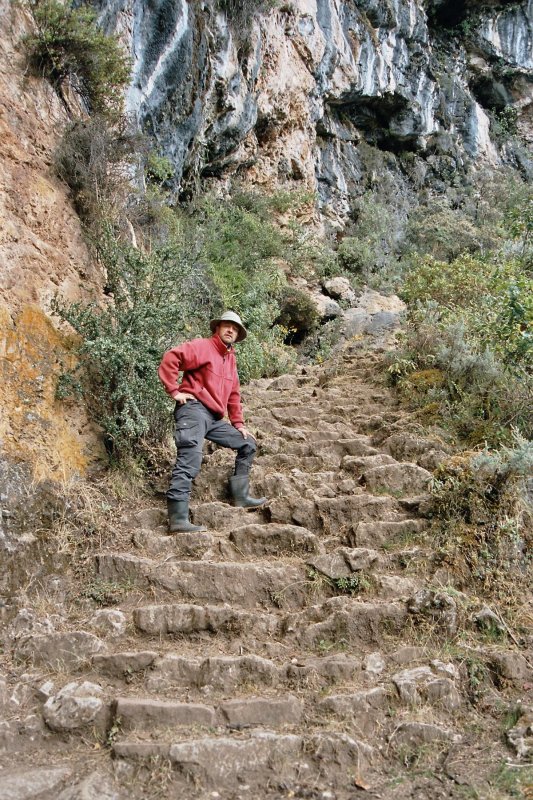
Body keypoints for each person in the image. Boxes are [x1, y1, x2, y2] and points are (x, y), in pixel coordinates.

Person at [158, 311, 266, 533]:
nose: (230, 331)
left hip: (214, 418)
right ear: (217, 328)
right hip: (194, 410)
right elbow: (172, 357)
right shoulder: (203, 346)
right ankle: (178, 520)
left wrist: (239, 424)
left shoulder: (230, 360)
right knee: (191, 456)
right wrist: (175, 391)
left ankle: (241, 497)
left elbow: (234, 395)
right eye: (227, 326)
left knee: (248, 443)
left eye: (235, 329)